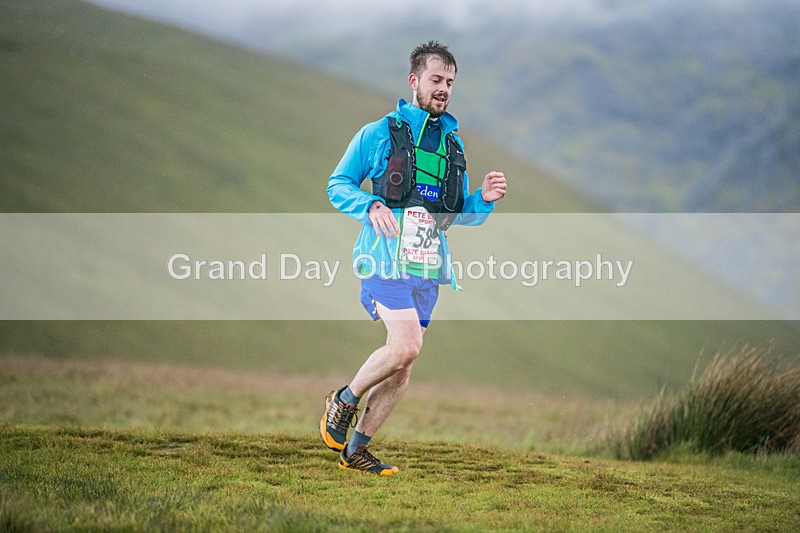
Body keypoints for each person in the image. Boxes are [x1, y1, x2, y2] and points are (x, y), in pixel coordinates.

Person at [321, 40, 507, 475]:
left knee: (403, 364)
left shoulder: (452, 146)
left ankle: (357, 450)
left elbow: (456, 213)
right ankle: (343, 400)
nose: (443, 89)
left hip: (427, 266)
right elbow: (338, 184)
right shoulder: (378, 133)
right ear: (414, 81)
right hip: (382, 259)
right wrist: (370, 205)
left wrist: (484, 198)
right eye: (436, 80)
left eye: (450, 82)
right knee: (406, 345)